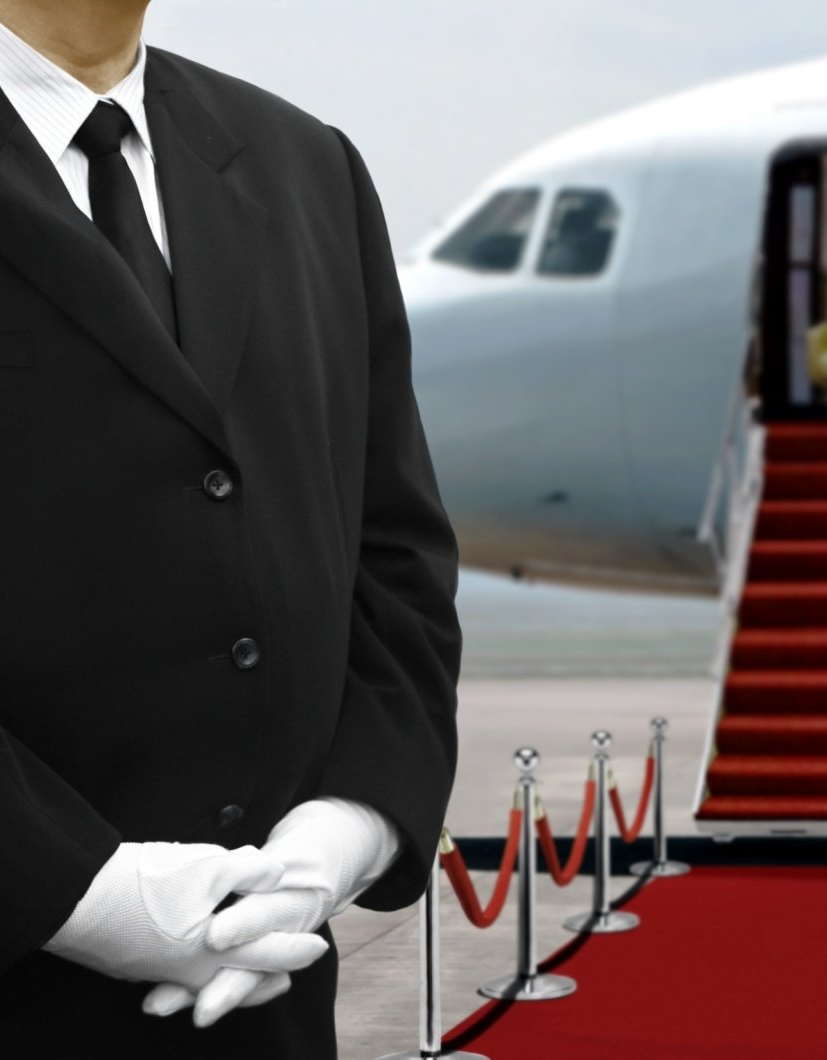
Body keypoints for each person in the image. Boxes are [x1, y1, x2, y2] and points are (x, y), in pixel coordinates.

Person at [0, 1, 462, 1056]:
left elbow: (394, 556)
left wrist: (346, 828)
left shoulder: (310, 168)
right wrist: (81, 894)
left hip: (266, 997)